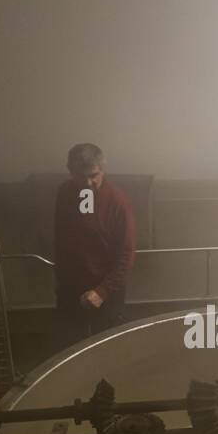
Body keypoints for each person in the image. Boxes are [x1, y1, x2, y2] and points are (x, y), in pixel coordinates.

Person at [52, 143, 136, 351]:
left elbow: (126, 254)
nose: (88, 184)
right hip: (71, 288)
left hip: (107, 289)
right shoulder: (66, 193)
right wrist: (62, 279)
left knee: (108, 351)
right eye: (81, 177)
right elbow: (66, 236)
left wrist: (102, 291)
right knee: (69, 349)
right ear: (70, 171)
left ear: (103, 169)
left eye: (94, 175)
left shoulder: (117, 202)